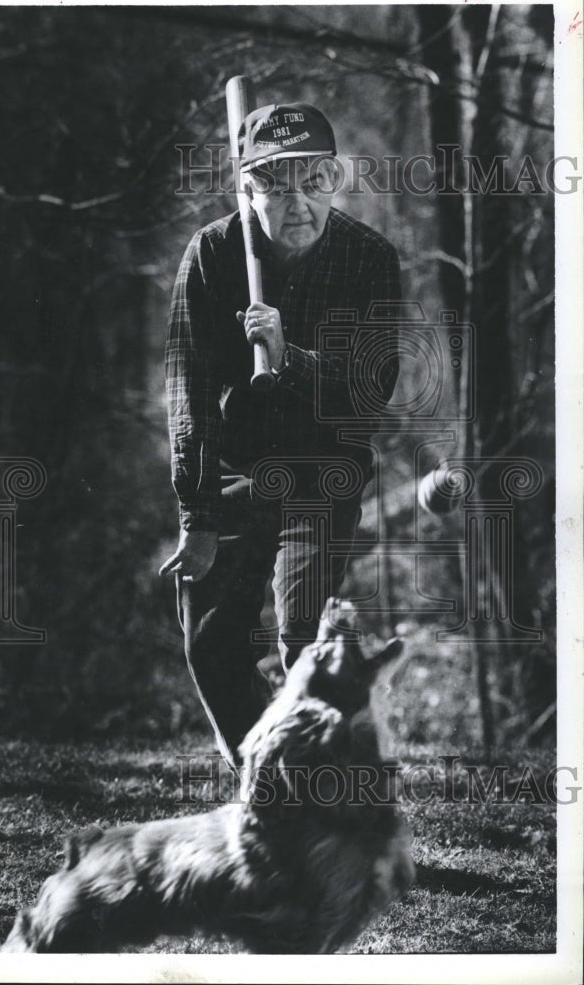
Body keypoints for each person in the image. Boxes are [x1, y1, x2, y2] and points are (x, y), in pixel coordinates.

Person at [160, 101, 401, 767]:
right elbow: (189, 395)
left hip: (323, 467)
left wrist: (289, 356)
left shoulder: (368, 260)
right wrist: (198, 514)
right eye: (274, 184)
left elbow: (369, 387)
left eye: (314, 180)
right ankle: (265, 785)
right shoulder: (210, 255)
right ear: (245, 189)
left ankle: (326, 790)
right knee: (209, 644)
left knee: (303, 643)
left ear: (335, 178)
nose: (298, 203)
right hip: (233, 467)